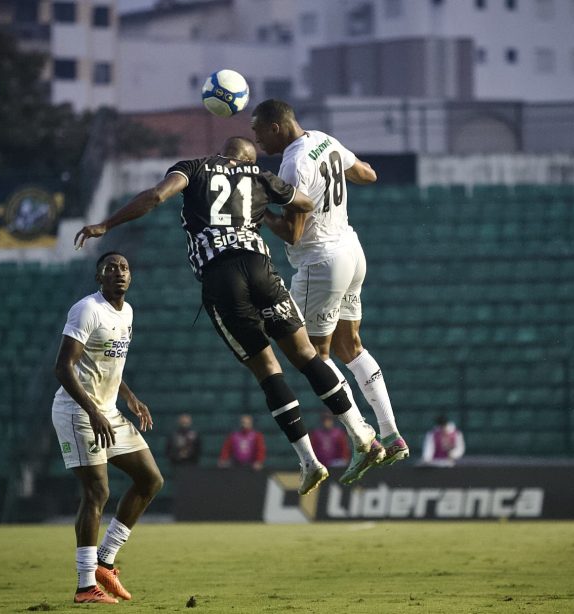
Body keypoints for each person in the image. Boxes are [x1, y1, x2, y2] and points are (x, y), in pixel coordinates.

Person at [75, 136, 383, 496]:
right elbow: (304, 202)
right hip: (260, 265)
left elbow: (156, 196)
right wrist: (265, 207)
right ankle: (361, 432)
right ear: (249, 159)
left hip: (221, 277)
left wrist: (106, 225)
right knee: (306, 355)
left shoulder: (194, 167)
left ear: (223, 153)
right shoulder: (260, 176)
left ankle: (309, 461)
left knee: (268, 370)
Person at [250, 99, 410, 473]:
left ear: (276, 127)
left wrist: (264, 214)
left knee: (313, 356)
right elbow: (368, 174)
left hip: (320, 262)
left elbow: (293, 232)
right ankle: (392, 432)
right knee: (350, 346)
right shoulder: (324, 140)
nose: (256, 140)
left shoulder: (292, 163)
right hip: (352, 251)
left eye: (258, 131)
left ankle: (364, 438)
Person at [52, 251, 164, 604]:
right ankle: (86, 586)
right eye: (111, 267)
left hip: (109, 410)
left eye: (125, 267)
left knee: (150, 479)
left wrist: (129, 396)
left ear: (131, 277)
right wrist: (94, 411)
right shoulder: (87, 309)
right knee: (97, 493)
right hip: (77, 410)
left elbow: (107, 363)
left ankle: (105, 560)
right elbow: (63, 367)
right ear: (99, 276)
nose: (119, 272)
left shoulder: (127, 312)